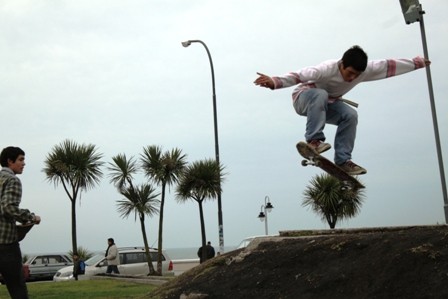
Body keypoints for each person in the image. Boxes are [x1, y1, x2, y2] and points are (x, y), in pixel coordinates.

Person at [254, 45, 431, 175]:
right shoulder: (325, 69)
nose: (352, 78)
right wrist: (274, 81)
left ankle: (343, 160)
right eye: (350, 73)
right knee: (321, 94)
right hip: (303, 99)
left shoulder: (364, 71)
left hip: (328, 105)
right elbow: (298, 75)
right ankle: (313, 140)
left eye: (356, 75)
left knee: (350, 115)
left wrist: (417, 63)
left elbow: (389, 66)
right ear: (342, 65)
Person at [0, 146, 41, 299]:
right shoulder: (13, 180)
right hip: (6, 246)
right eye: (21, 160)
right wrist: (31, 217)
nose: (24, 163)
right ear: (10, 161)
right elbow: (8, 208)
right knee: (18, 290)